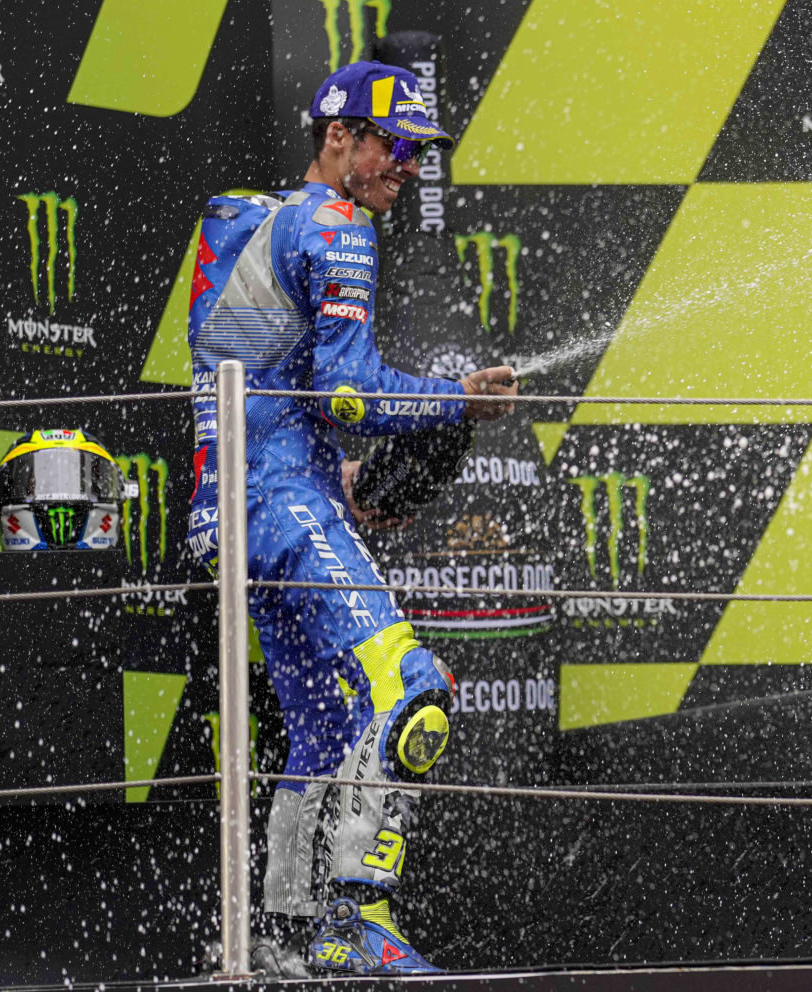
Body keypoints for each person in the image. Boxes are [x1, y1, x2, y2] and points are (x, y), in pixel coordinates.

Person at [184, 60, 518, 977]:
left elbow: (256, 386)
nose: (409, 167)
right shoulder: (337, 224)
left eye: (417, 152)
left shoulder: (247, 218)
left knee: (327, 734)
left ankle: (280, 936)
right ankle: (355, 923)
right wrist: (455, 401)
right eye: (396, 145)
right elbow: (348, 393)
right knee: (416, 694)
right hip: (285, 504)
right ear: (338, 137)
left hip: (232, 515)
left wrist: (344, 477)